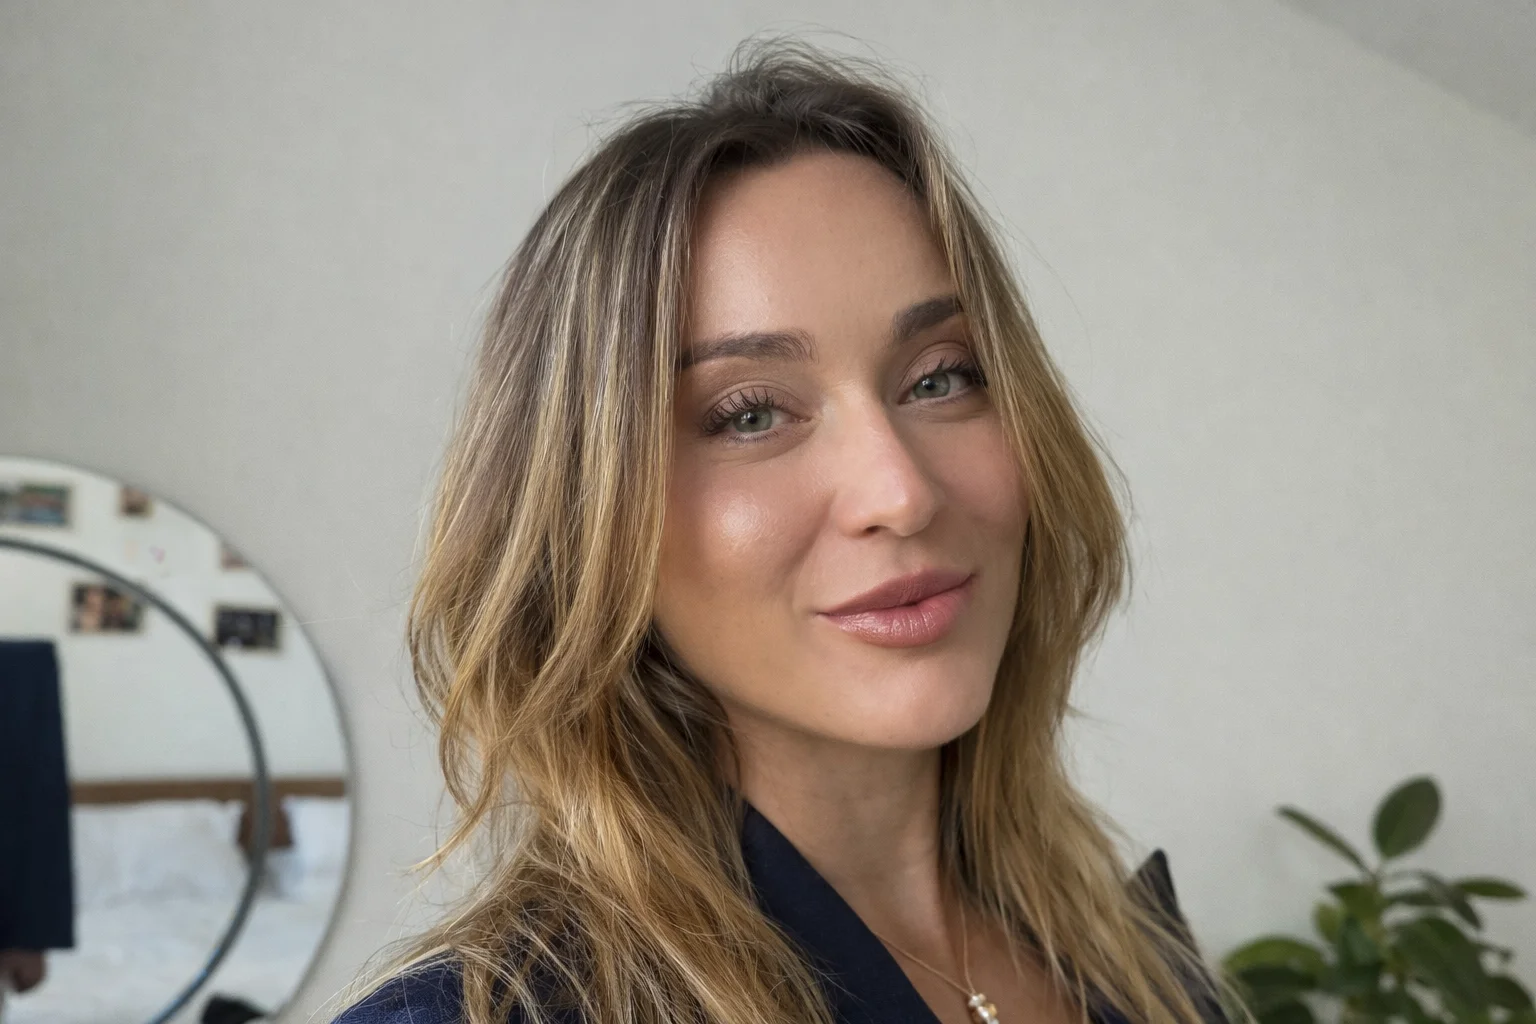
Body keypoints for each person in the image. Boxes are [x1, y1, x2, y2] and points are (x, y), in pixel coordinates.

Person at [330, 36, 1233, 1024]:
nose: (898, 490)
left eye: (941, 376)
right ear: (588, 522)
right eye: (749, 413)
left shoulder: (1140, 963)